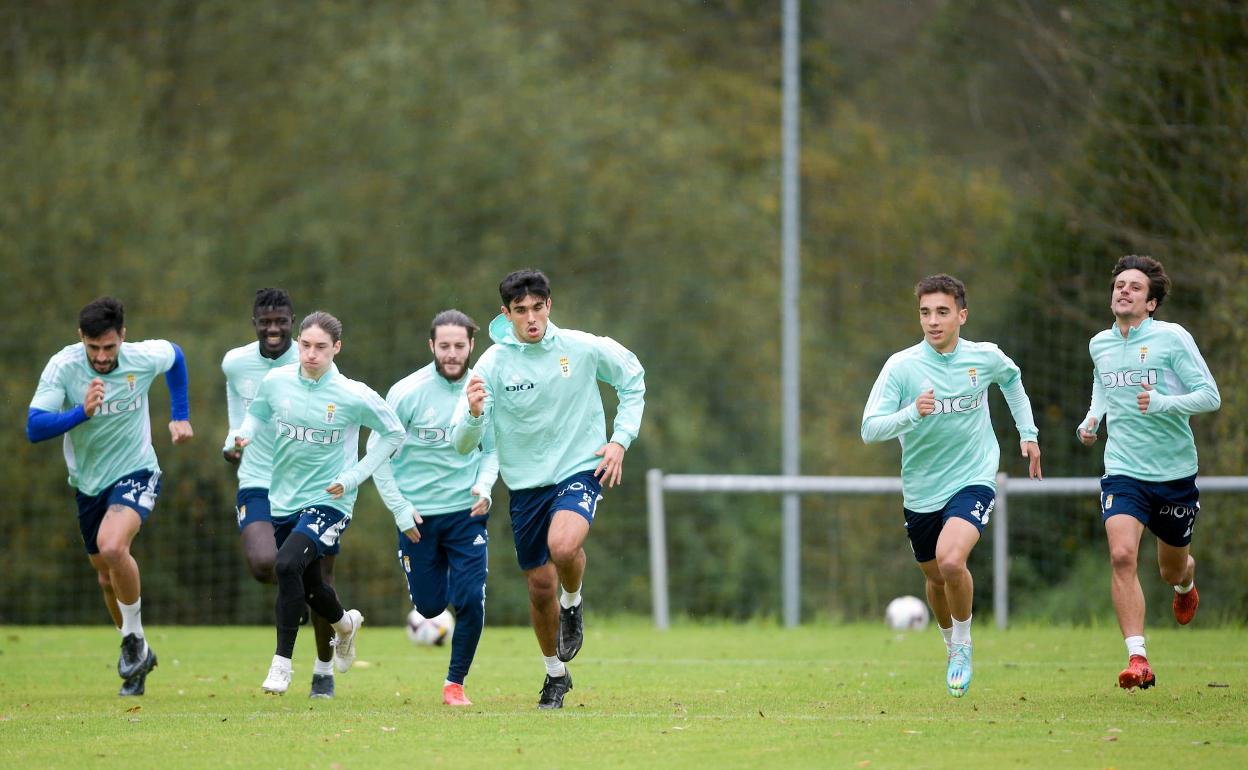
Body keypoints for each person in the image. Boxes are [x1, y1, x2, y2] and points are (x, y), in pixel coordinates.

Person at [452, 269, 645, 709]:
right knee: (539, 587)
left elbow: (633, 379)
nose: (531, 318)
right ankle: (555, 676)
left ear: (549, 306)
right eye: (521, 311)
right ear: (507, 314)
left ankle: (573, 602)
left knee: (563, 547)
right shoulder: (492, 365)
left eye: (537, 308)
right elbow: (463, 443)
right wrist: (474, 413)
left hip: (580, 469)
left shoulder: (581, 347)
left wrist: (619, 440)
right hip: (525, 488)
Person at [861, 274, 1041, 698]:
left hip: (974, 476)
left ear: (962, 314)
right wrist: (911, 414)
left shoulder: (985, 357)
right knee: (935, 577)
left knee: (951, 560)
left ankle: (963, 645)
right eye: (925, 312)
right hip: (922, 488)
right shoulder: (902, 367)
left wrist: (1027, 433)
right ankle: (948, 644)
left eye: (942, 312)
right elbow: (869, 429)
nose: (933, 321)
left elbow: (1012, 380)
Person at [26, 296, 194, 696]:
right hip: (87, 484)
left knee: (113, 546)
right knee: (105, 576)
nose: (101, 357)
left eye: (109, 347)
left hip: (137, 470)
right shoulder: (63, 367)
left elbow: (176, 356)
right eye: (93, 347)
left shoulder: (142, 357)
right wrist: (80, 413)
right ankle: (137, 658)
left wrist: (180, 413)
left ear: (123, 336)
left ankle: (133, 639)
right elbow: (34, 427)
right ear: (81, 339)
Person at [231, 311, 405, 695]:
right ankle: (344, 624)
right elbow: (257, 413)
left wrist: (354, 476)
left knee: (285, 563)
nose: (311, 354)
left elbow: (394, 433)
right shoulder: (276, 382)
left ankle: (282, 664)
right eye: (305, 345)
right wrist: (242, 435)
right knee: (310, 587)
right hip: (283, 498)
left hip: (331, 501)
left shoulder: (352, 394)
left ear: (336, 348)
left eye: (320, 348)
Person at [1076, 255, 1220, 691]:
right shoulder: (1099, 344)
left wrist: (1162, 404)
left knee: (1171, 570)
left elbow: (1209, 396)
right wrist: (1093, 418)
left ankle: (1185, 585)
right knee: (1121, 555)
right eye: (1119, 284)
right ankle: (1137, 658)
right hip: (1123, 469)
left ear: (1152, 302)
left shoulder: (1172, 338)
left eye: (1135, 287)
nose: (1123, 290)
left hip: (1174, 473)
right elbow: (1103, 383)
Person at [371, 310, 499, 706]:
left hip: (467, 513)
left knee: (471, 598)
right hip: (418, 520)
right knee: (429, 606)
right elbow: (378, 457)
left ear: (471, 346)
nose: (452, 353)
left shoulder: (482, 390)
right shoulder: (406, 392)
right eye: (444, 346)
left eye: (459, 346)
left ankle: (454, 684)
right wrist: (399, 509)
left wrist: (485, 486)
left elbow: (491, 452)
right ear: (431, 346)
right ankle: (441, 582)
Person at [222, 289, 340, 698]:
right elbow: (241, 416)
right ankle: (326, 613)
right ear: (253, 322)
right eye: (265, 321)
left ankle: (324, 669)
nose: (273, 329)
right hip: (257, 478)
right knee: (265, 564)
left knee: (319, 576)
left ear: (292, 322)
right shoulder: (236, 364)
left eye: (281, 321)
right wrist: (233, 442)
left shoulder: (313, 359)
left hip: (311, 485)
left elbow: (341, 414)